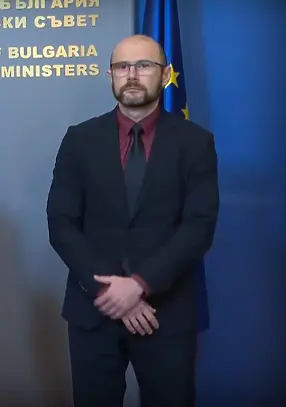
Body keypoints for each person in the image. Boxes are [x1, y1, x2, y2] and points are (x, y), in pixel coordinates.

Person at [46, 34, 219, 407]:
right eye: (123, 67)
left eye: (144, 65)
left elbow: (199, 226)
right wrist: (110, 292)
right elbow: (61, 224)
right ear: (110, 75)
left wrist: (139, 284)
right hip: (94, 311)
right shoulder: (79, 140)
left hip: (166, 314)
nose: (132, 75)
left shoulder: (195, 142)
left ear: (166, 74)